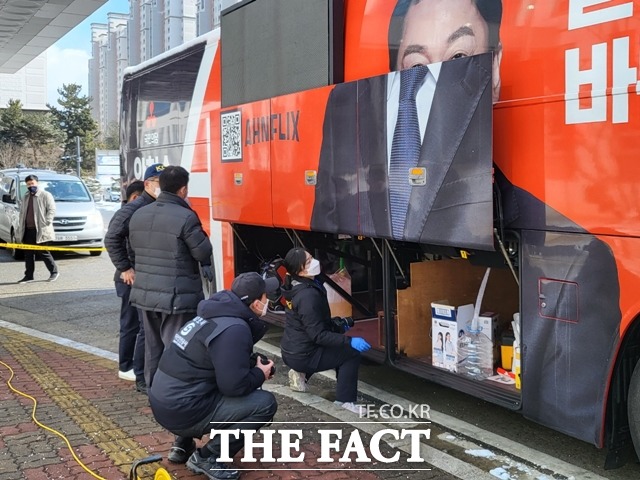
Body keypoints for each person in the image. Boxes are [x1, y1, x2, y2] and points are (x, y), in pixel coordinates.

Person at [311, 0, 502, 249]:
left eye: (458, 56)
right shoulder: (346, 102)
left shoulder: (509, 201)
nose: (442, 69)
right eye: (417, 64)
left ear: (496, 65)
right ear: (396, 67)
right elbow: (328, 206)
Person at [149, 272, 278, 477]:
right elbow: (233, 387)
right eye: (265, 297)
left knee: (200, 378)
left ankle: (183, 442)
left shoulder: (211, 315)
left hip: (164, 401)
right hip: (181, 410)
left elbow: (210, 360)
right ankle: (207, 457)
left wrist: (252, 365)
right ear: (255, 304)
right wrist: (259, 375)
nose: (268, 301)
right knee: (265, 403)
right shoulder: (235, 328)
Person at [128, 165, 214, 391]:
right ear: (183, 189)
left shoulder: (139, 214)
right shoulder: (186, 216)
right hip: (176, 295)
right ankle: (172, 393)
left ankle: (153, 390)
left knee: (153, 345)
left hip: (145, 293)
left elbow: (133, 249)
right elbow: (202, 251)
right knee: (176, 345)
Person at [280, 247, 370, 413]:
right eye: (308, 261)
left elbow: (311, 326)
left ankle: (302, 375)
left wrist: (338, 325)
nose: (314, 262)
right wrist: (350, 341)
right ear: (300, 270)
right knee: (350, 353)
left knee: (335, 337)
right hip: (303, 354)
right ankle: (345, 401)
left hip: (292, 349)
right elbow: (318, 336)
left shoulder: (297, 284)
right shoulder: (308, 296)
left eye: (311, 257)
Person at [105, 166, 164, 394]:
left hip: (148, 276)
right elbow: (112, 238)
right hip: (132, 278)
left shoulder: (158, 206)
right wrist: (125, 267)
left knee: (145, 326)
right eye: (157, 181)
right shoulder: (134, 208)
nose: (161, 185)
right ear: (147, 183)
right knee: (139, 327)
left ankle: (141, 371)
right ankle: (136, 372)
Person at [17, 174, 59, 283]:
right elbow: (22, 213)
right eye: (28, 184)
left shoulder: (45, 195)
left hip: (40, 229)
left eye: (33, 183)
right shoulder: (25, 197)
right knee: (28, 254)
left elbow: (52, 209)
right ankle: (29, 276)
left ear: (37, 183)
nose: (31, 186)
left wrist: (47, 221)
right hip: (27, 229)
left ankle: (54, 272)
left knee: (43, 252)